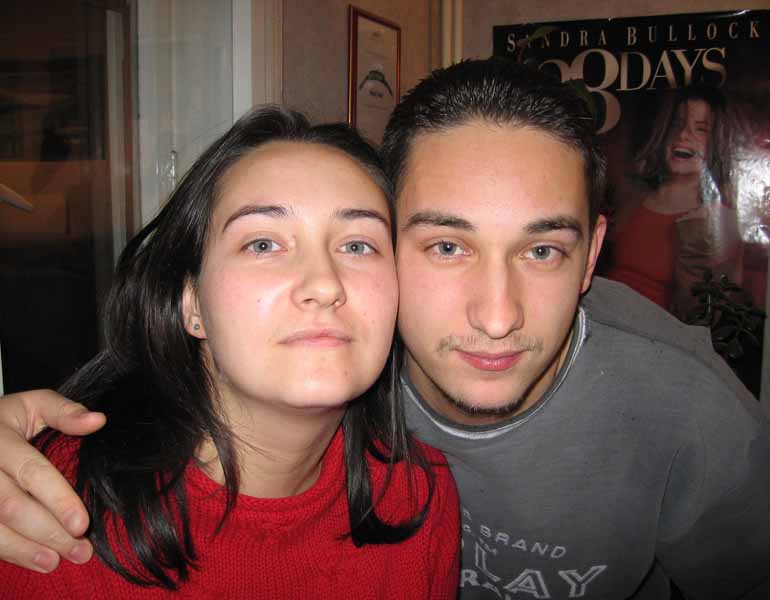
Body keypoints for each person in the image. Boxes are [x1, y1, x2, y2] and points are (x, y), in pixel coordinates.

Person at [2, 58, 770, 599]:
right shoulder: (54, 518)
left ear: (591, 256)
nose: (497, 318)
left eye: (543, 250)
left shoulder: (419, 496)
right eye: (447, 246)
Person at [0, 106, 460, 598]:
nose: (325, 285)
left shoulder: (418, 497)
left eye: (357, 246)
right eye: (262, 244)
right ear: (192, 304)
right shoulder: (45, 520)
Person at [607, 86, 742, 320]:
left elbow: (708, 313)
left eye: (701, 129)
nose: (683, 135)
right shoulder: (632, 194)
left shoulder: (717, 220)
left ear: (717, 143)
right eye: (676, 124)